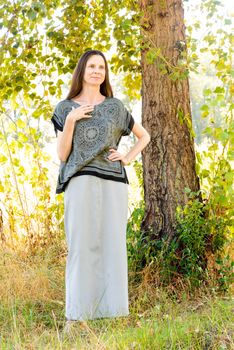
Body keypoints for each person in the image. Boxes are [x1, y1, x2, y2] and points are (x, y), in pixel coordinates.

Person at [51, 50, 150, 327]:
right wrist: (72, 120)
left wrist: (127, 157)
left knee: (112, 245)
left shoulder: (115, 107)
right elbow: (62, 154)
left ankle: (114, 312)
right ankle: (76, 316)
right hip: (79, 179)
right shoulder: (64, 108)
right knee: (82, 247)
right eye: (92, 66)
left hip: (113, 182)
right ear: (82, 70)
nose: (97, 71)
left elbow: (144, 136)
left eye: (101, 67)